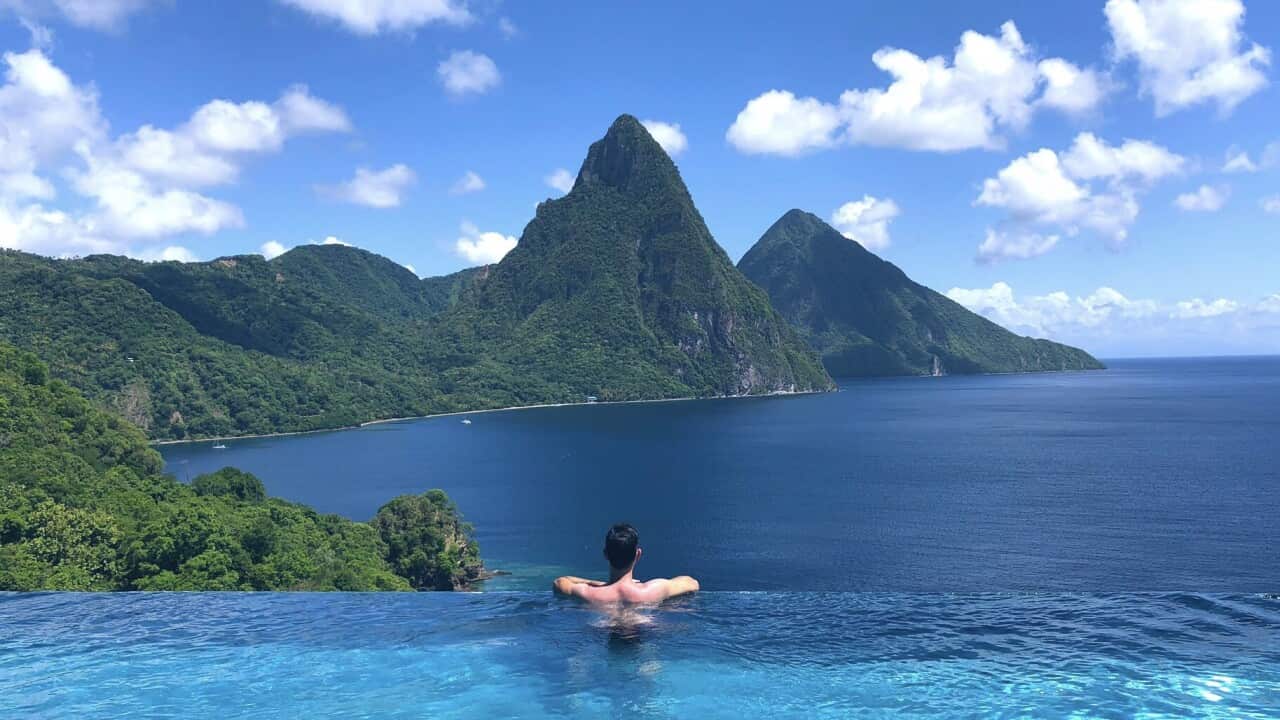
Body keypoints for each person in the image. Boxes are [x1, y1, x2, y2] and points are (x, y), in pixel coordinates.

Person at [553, 523, 700, 604]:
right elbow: (692, 583)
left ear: (605, 554)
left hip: (601, 631)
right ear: (638, 554)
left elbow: (560, 582)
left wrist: (595, 583)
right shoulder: (655, 589)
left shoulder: (586, 593)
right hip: (645, 629)